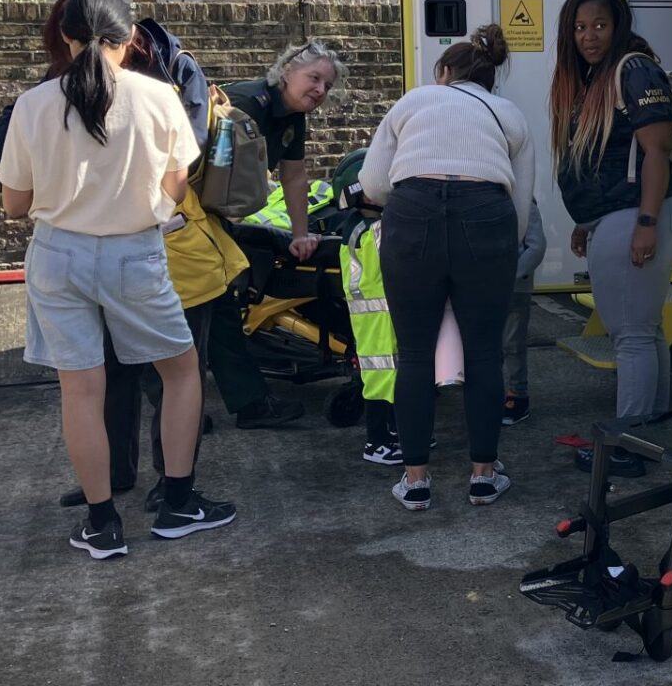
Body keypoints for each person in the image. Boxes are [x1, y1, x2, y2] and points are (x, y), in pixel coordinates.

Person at [0, 0, 236, 559]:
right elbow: (176, 186)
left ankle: (101, 523)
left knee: (82, 389)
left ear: (66, 37)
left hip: (58, 255)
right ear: (130, 41)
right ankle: (179, 502)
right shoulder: (159, 98)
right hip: (134, 251)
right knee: (181, 374)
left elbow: (13, 203)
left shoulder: (33, 104)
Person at [360, 26, 534, 510]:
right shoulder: (509, 113)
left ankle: (415, 481)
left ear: (443, 73)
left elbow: (374, 184)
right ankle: (483, 474)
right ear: (489, 78)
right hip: (486, 219)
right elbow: (520, 203)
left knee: (414, 353)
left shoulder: (413, 101)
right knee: (483, 354)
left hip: (412, 215)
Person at [550, 0, 672, 479]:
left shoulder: (632, 70)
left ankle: (629, 444)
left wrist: (646, 224)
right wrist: (588, 221)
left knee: (630, 336)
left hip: (641, 215)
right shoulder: (596, 76)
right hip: (622, 217)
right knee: (646, 330)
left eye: (599, 26)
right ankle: (652, 435)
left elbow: (656, 149)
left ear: (619, 26)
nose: (588, 37)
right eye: (579, 27)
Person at [212, 41, 348, 430]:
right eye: (314, 78)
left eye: (327, 84)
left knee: (216, 309)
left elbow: (293, 176)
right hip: (191, 218)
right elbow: (207, 164)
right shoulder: (244, 103)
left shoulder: (292, 116)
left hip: (217, 217)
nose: (321, 90)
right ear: (287, 71)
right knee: (207, 309)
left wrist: (300, 235)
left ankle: (236, 402)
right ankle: (177, 403)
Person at [502, 202, 547, 427]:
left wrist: (511, 276)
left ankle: (518, 394)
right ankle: (492, 392)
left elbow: (536, 246)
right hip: (483, 287)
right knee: (489, 346)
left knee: (512, 344)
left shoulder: (524, 201)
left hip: (515, 287)